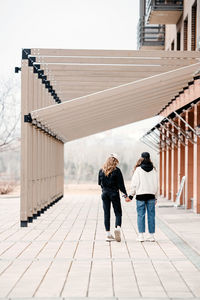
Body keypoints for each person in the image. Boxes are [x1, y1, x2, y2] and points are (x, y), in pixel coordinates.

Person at [98, 153, 130, 242]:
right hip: (114, 194)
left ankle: (108, 234)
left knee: (106, 213)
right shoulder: (117, 171)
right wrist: (125, 196)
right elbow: (121, 185)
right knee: (118, 212)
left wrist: (105, 190)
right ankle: (118, 228)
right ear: (116, 161)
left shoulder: (101, 170)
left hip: (104, 194)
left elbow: (99, 183)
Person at [129, 152, 158, 242]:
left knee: (140, 215)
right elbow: (156, 184)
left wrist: (131, 195)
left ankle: (141, 235)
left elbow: (134, 183)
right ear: (149, 158)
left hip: (141, 195)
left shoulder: (138, 170)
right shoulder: (154, 170)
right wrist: (156, 196)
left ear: (141, 158)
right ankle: (151, 236)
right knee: (151, 215)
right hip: (151, 195)